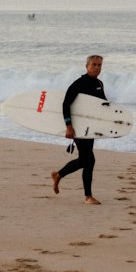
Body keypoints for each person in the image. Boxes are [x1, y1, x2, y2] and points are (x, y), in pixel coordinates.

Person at [51, 54, 106, 205]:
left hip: (89, 128)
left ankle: (59, 174)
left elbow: (103, 107)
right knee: (89, 160)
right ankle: (88, 196)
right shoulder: (80, 83)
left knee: (85, 160)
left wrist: (111, 128)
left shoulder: (99, 83)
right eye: (94, 65)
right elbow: (66, 104)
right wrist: (68, 125)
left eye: (99, 65)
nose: (96, 68)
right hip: (77, 127)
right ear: (86, 66)